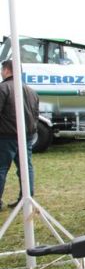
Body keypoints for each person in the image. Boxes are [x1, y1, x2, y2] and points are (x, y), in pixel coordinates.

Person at [0, 59, 39, 209]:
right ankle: (26, 198)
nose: (1, 73)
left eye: (2, 70)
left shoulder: (3, 88)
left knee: (2, 167)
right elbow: (36, 114)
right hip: (26, 135)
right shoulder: (31, 91)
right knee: (25, 167)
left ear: (7, 70)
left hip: (6, 135)